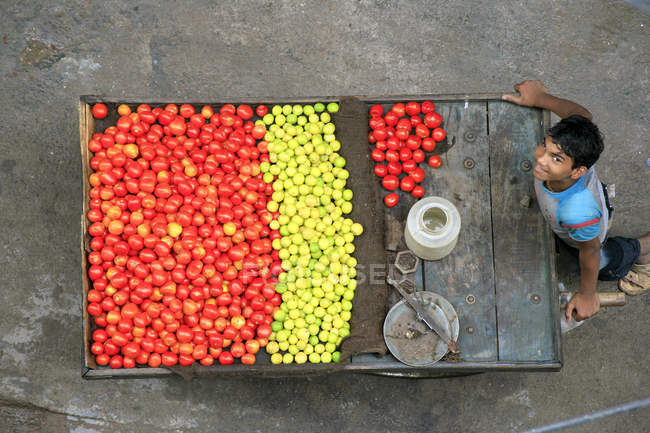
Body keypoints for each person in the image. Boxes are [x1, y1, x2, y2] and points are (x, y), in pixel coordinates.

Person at [501, 80, 649, 322]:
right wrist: (541, 99)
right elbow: (581, 115)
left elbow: (589, 251)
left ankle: (642, 251)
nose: (541, 160)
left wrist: (587, 293)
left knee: (604, 262)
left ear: (578, 171)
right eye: (544, 147)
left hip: (587, 235)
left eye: (556, 159)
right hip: (584, 213)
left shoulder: (576, 212)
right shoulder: (573, 152)